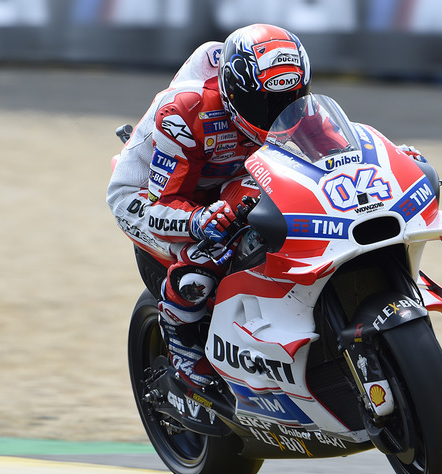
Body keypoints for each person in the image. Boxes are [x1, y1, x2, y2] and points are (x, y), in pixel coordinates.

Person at [107, 24, 313, 388]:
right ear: (233, 91)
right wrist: (199, 219)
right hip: (148, 196)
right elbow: (162, 205)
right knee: (205, 261)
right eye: (263, 104)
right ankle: (182, 347)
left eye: (288, 100)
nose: (278, 113)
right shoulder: (186, 111)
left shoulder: (293, 108)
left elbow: (330, 147)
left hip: (226, 180)